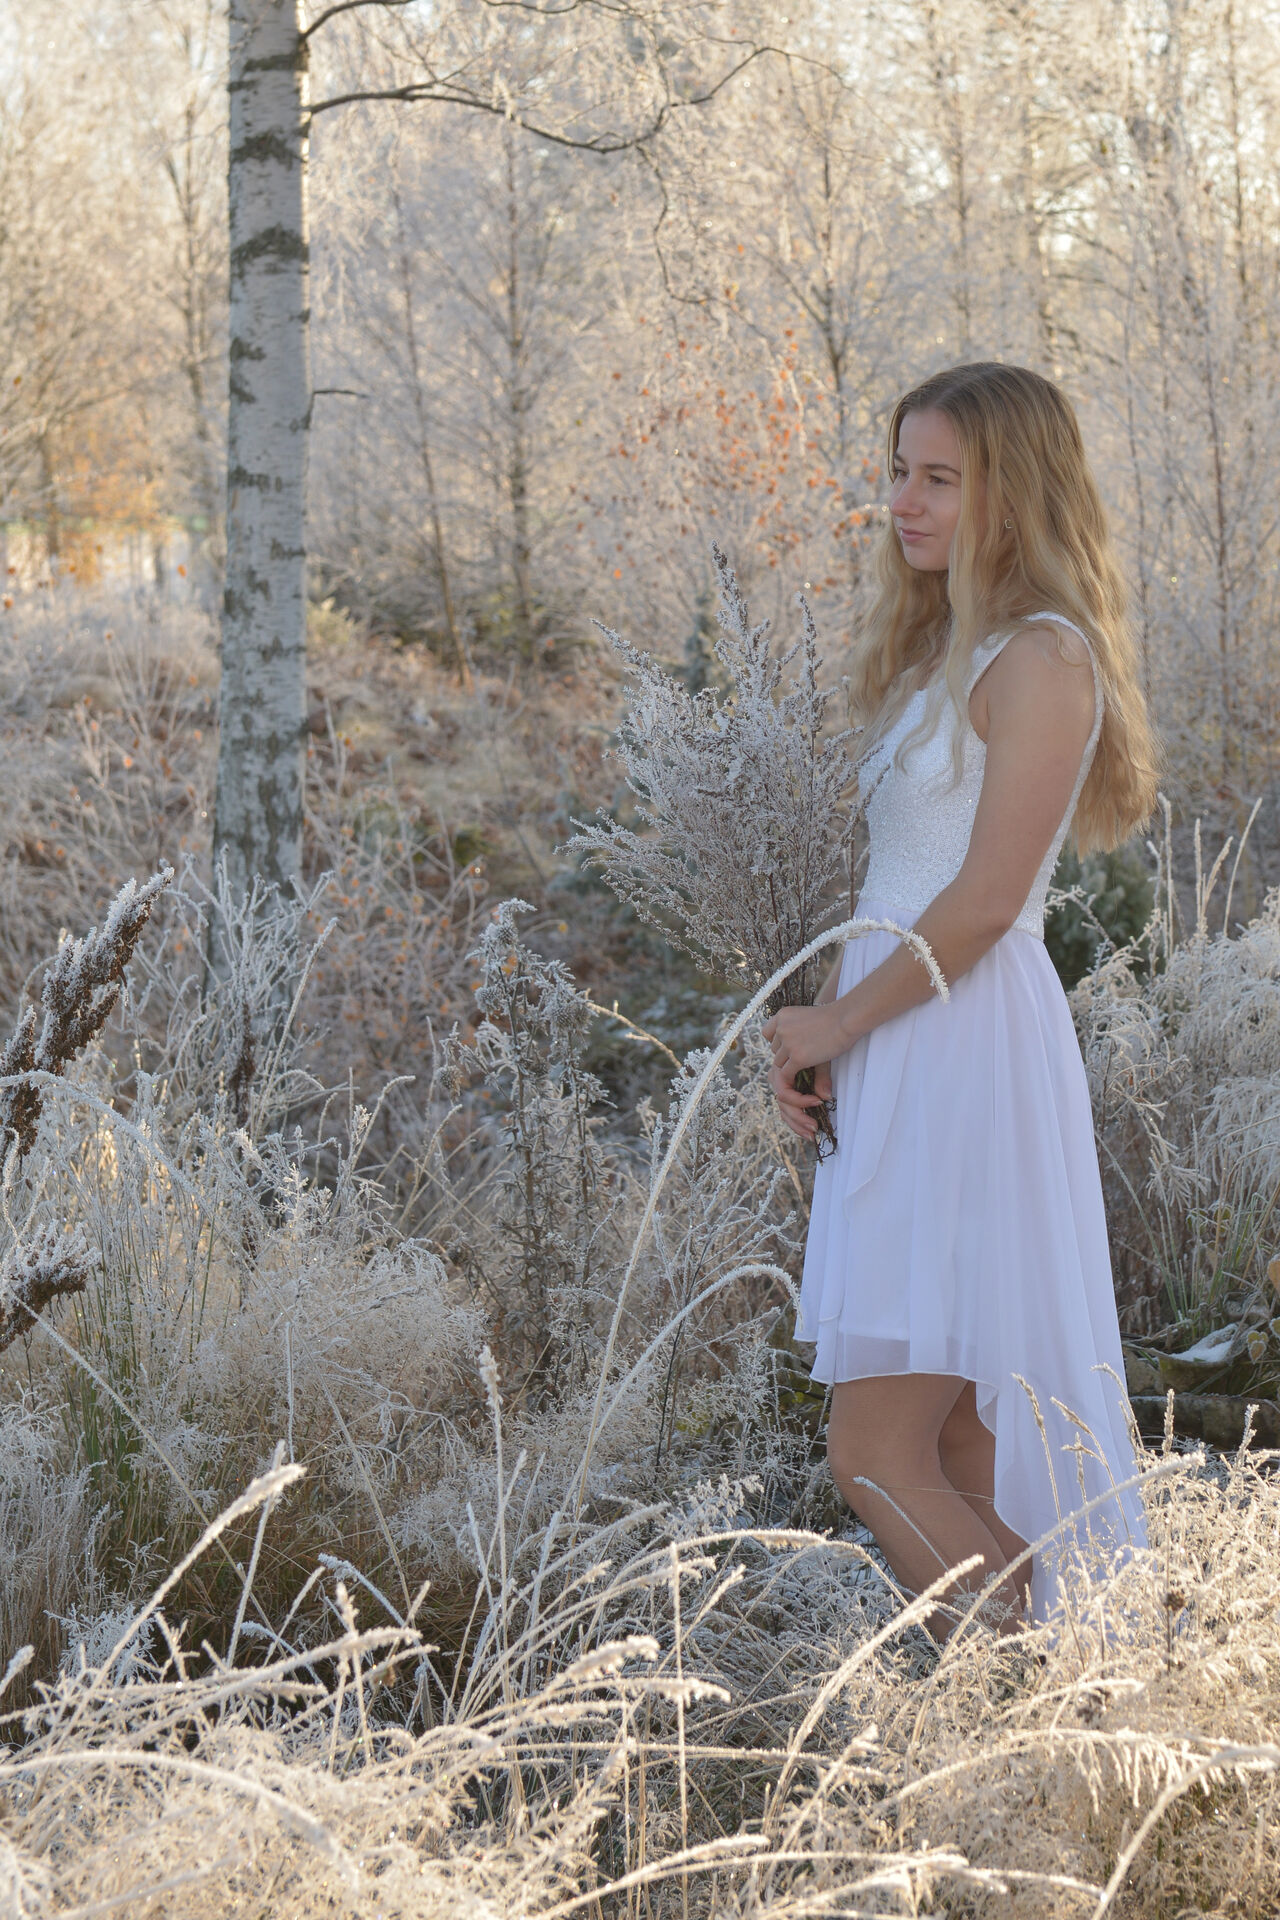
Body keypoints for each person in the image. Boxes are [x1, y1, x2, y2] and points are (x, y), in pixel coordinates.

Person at [763, 362, 1161, 1639]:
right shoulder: (950, 651)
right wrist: (838, 1039)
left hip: (963, 1046)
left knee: (875, 1451)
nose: (903, 501)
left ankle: (1019, 1703)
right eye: (899, 472)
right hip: (902, 1039)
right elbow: (902, 881)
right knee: (958, 1442)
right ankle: (1051, 1714)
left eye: (939, 478)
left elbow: (987, 899)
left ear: (1012, 493)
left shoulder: (1042, 658)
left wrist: (838, 1019)